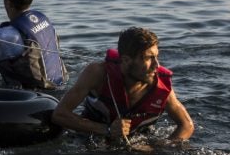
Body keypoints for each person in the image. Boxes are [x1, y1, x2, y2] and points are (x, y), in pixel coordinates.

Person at [51, 27, 194, 144]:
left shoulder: (160, 86)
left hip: (139, 142)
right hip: (91, 141)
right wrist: (106, 130)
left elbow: (187, 125)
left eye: (157, 56)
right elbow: (59, 114)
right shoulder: (98, 74)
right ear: (126, 60)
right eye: (149, 58)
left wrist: (163, 146)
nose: (156, 65)